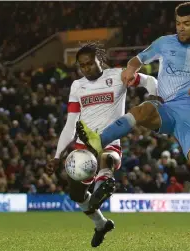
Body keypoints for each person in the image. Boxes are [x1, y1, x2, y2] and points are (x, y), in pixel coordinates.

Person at [75, 3, 190, 250]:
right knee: (144, 108)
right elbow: (139, 58)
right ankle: (98, 140)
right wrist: (131, 68)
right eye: (178, 23)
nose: (181, 28)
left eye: (186, 24)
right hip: (166, 109)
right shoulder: (164, 42)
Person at [46, 42, 157, 247]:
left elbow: (149, 81)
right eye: (82, 65)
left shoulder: (118, 76)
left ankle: (102, 185)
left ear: (100, 60)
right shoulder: (77, 86)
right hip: (83, 146)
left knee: (107, 157)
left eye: (90, 63)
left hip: (108, 140)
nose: (87, 68)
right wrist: (57, 155)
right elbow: (71, 123)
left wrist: (156, 99)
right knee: (76, 195)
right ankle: (101, 223)